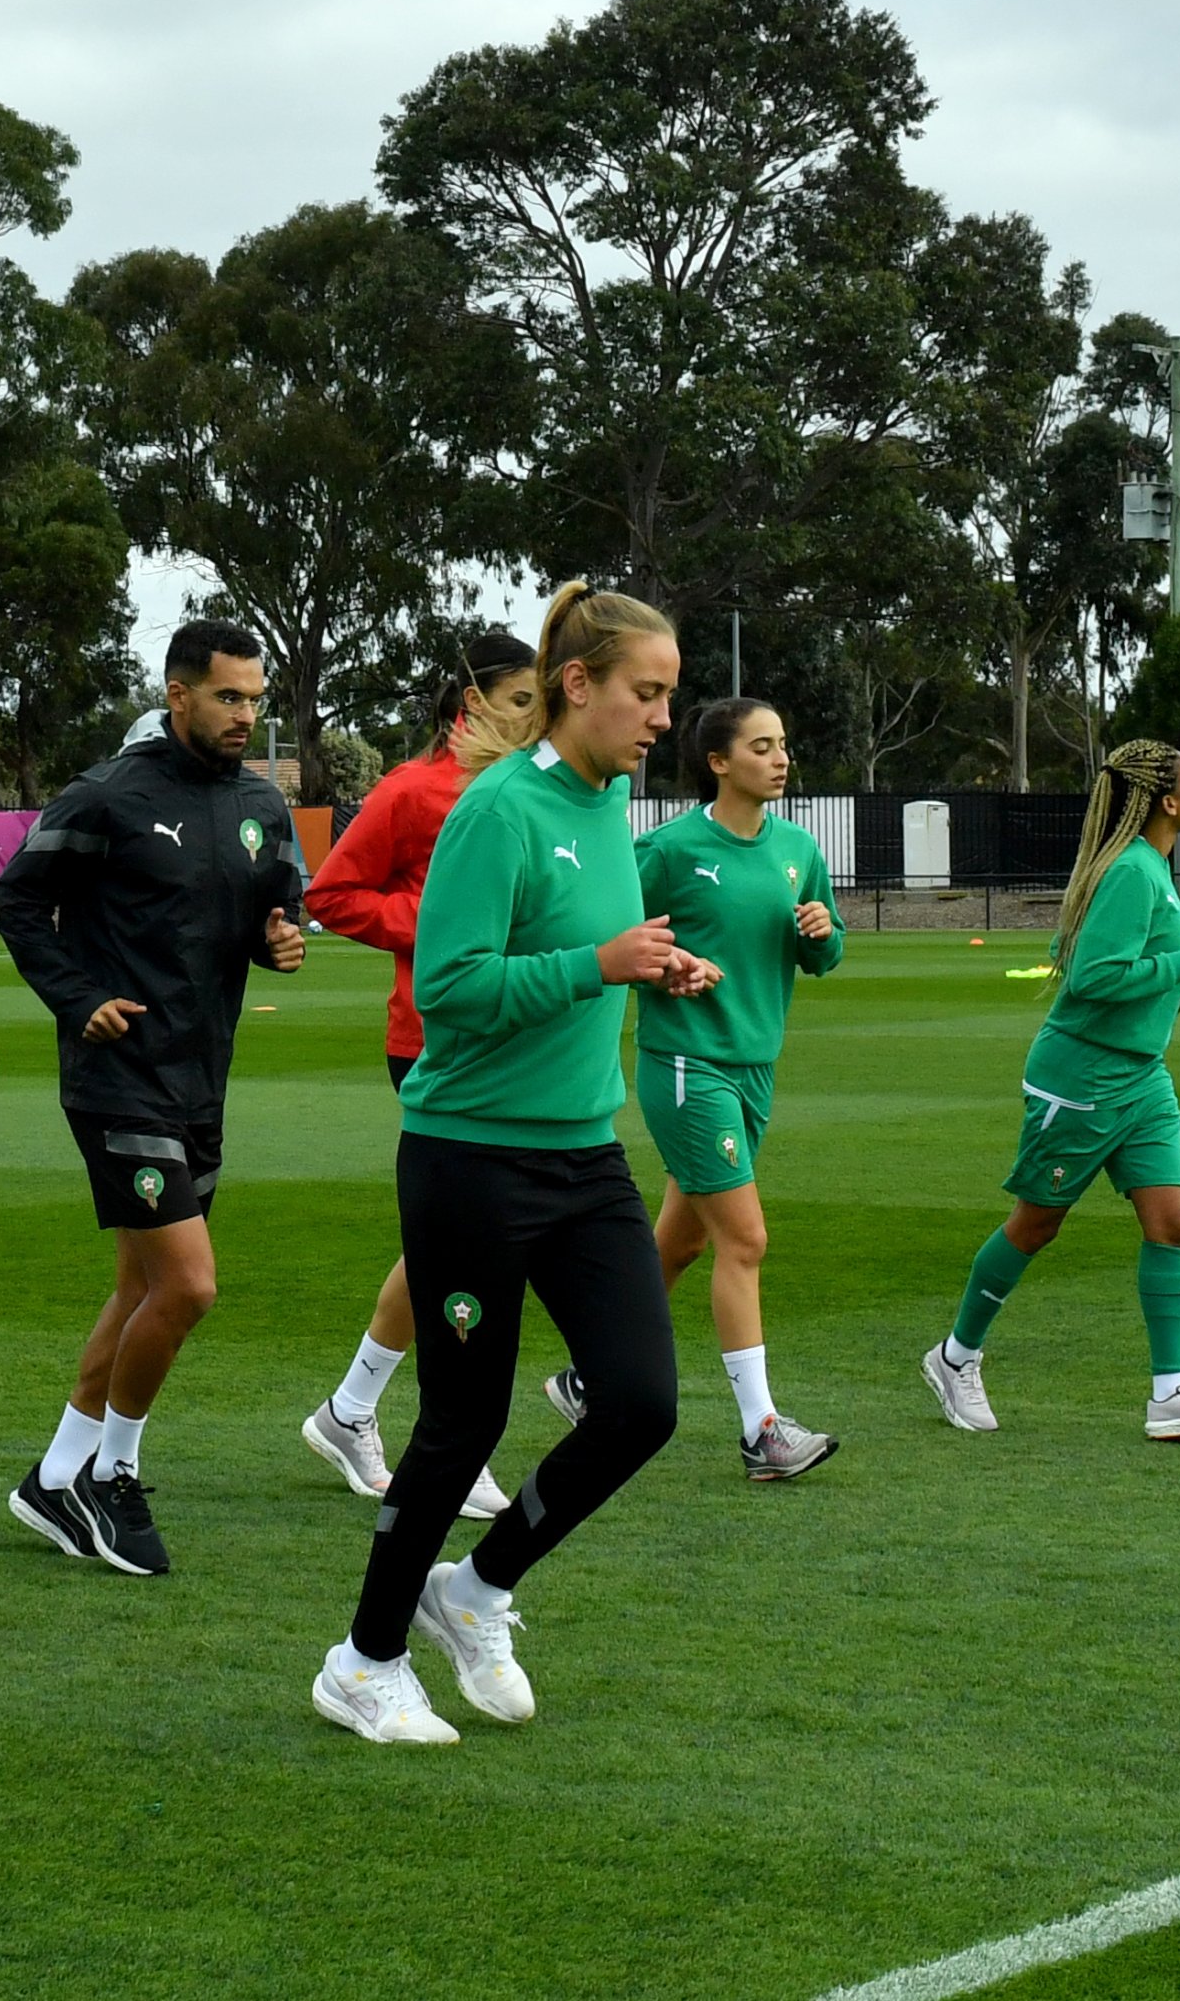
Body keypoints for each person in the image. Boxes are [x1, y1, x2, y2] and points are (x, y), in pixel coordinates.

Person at [313, 581, 718, 1746]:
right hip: (469, 1157)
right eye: (645, 693)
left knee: (639, 1405)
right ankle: (362, 1662)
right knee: (462, 1423)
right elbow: (448, 992)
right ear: (576, 686)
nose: (658, 719)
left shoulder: (607, 810)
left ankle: (477, 1588)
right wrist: (597, 963)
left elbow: (580, 959)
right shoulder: (496, 810)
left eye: (669, 697)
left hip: (583, 1154)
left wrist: (653, 966)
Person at [0, 617, 304, 1576]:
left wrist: (277, 940)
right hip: (118, 1078)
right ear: (178, 695)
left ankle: (53, 1477)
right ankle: (111, 1474)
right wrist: (79, 999)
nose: (244, 715)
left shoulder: (264, 803)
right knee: (187, 1285)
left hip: (200, 1075)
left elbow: (270, 912)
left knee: (139, 1286)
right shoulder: (109, 796)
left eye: (255, 699)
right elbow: (15, 900)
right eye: (227, 697)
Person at [547, 697, 846, 1481]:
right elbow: (604, 934)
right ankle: (762, 1432)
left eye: (784, 744)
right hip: (686, 1065)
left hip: (755, 1066)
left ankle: (587, 1377)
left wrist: (822, 932)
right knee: (744, 1238)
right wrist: (665, 969)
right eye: (762, 746)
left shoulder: (797, 850)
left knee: (681, 1239)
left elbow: (825, 956)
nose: (780, 759)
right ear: (719, 761)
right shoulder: (671, 850)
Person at [922, 740, 1180, 1443]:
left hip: (1141, 1076)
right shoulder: (1133, 870)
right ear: (1167, 800)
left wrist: (1168, 980)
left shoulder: (1144, 867)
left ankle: (1170, 1392)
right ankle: (956, 1357)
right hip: (1082, 1078)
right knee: (1036, 1224)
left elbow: (1072, 953)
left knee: (1171, 1222)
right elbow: (1090, 979)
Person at [299, 630, 538, 1520]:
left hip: (526, 1041)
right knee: (477, 1245)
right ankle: (448, 1440)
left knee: (460, 1244)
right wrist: (438, 922)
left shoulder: (542, 789)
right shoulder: (412, 788)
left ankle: (353, 1408)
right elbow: (329, 895)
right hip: (435, 1042)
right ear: (468, 704)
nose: (535, 716)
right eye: (521, 701)